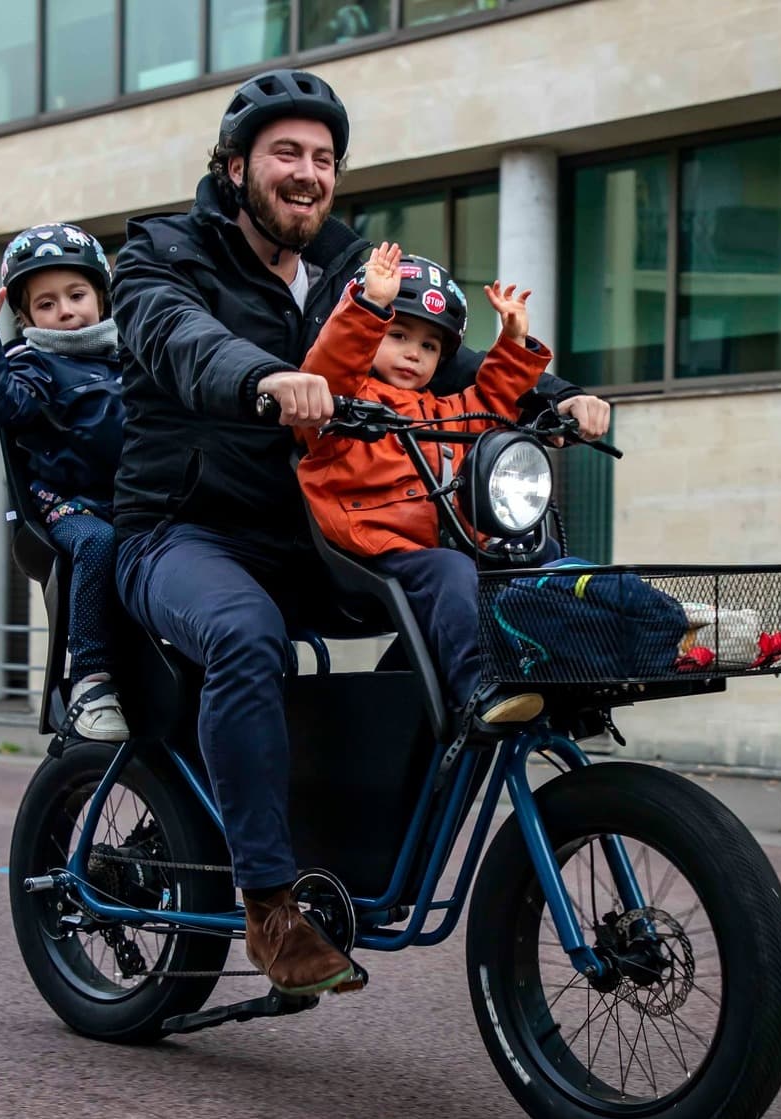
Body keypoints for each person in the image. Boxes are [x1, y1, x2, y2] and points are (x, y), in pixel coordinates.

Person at [111, 68, 611, 997]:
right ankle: (269, 904)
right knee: (244, 634)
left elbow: (447, 355)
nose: (307, 174)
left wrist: (557, 395)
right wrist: (264, 377)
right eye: (285, 154)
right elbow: (175, 336)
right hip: (186, 532)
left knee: (460, 588)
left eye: (324, 159)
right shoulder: (161, 253)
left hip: (323, 537)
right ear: (234, 166)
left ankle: (367, 834)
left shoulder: (356, 266)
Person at [297, 242, 550, 727]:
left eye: (430, 346)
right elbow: (330, 368)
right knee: (451, 570)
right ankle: (482, 687)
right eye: (398, 336)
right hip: (388, 546)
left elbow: (491, 404)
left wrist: (514, 342)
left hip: (450, 544)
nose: (414, 353)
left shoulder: (442, 409)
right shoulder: (341, 403)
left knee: (542, 553)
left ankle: (665, 627)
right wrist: (370, 306)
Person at [0, 224, 129, 742]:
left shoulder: (128, 359)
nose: (65, 310)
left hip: (137, 502)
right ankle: (90, 680)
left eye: (76, 295)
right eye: (46, 305)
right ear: (25, 318)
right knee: (98, 545)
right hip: (71, 507)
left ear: (101, 297)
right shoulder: (33, 364)